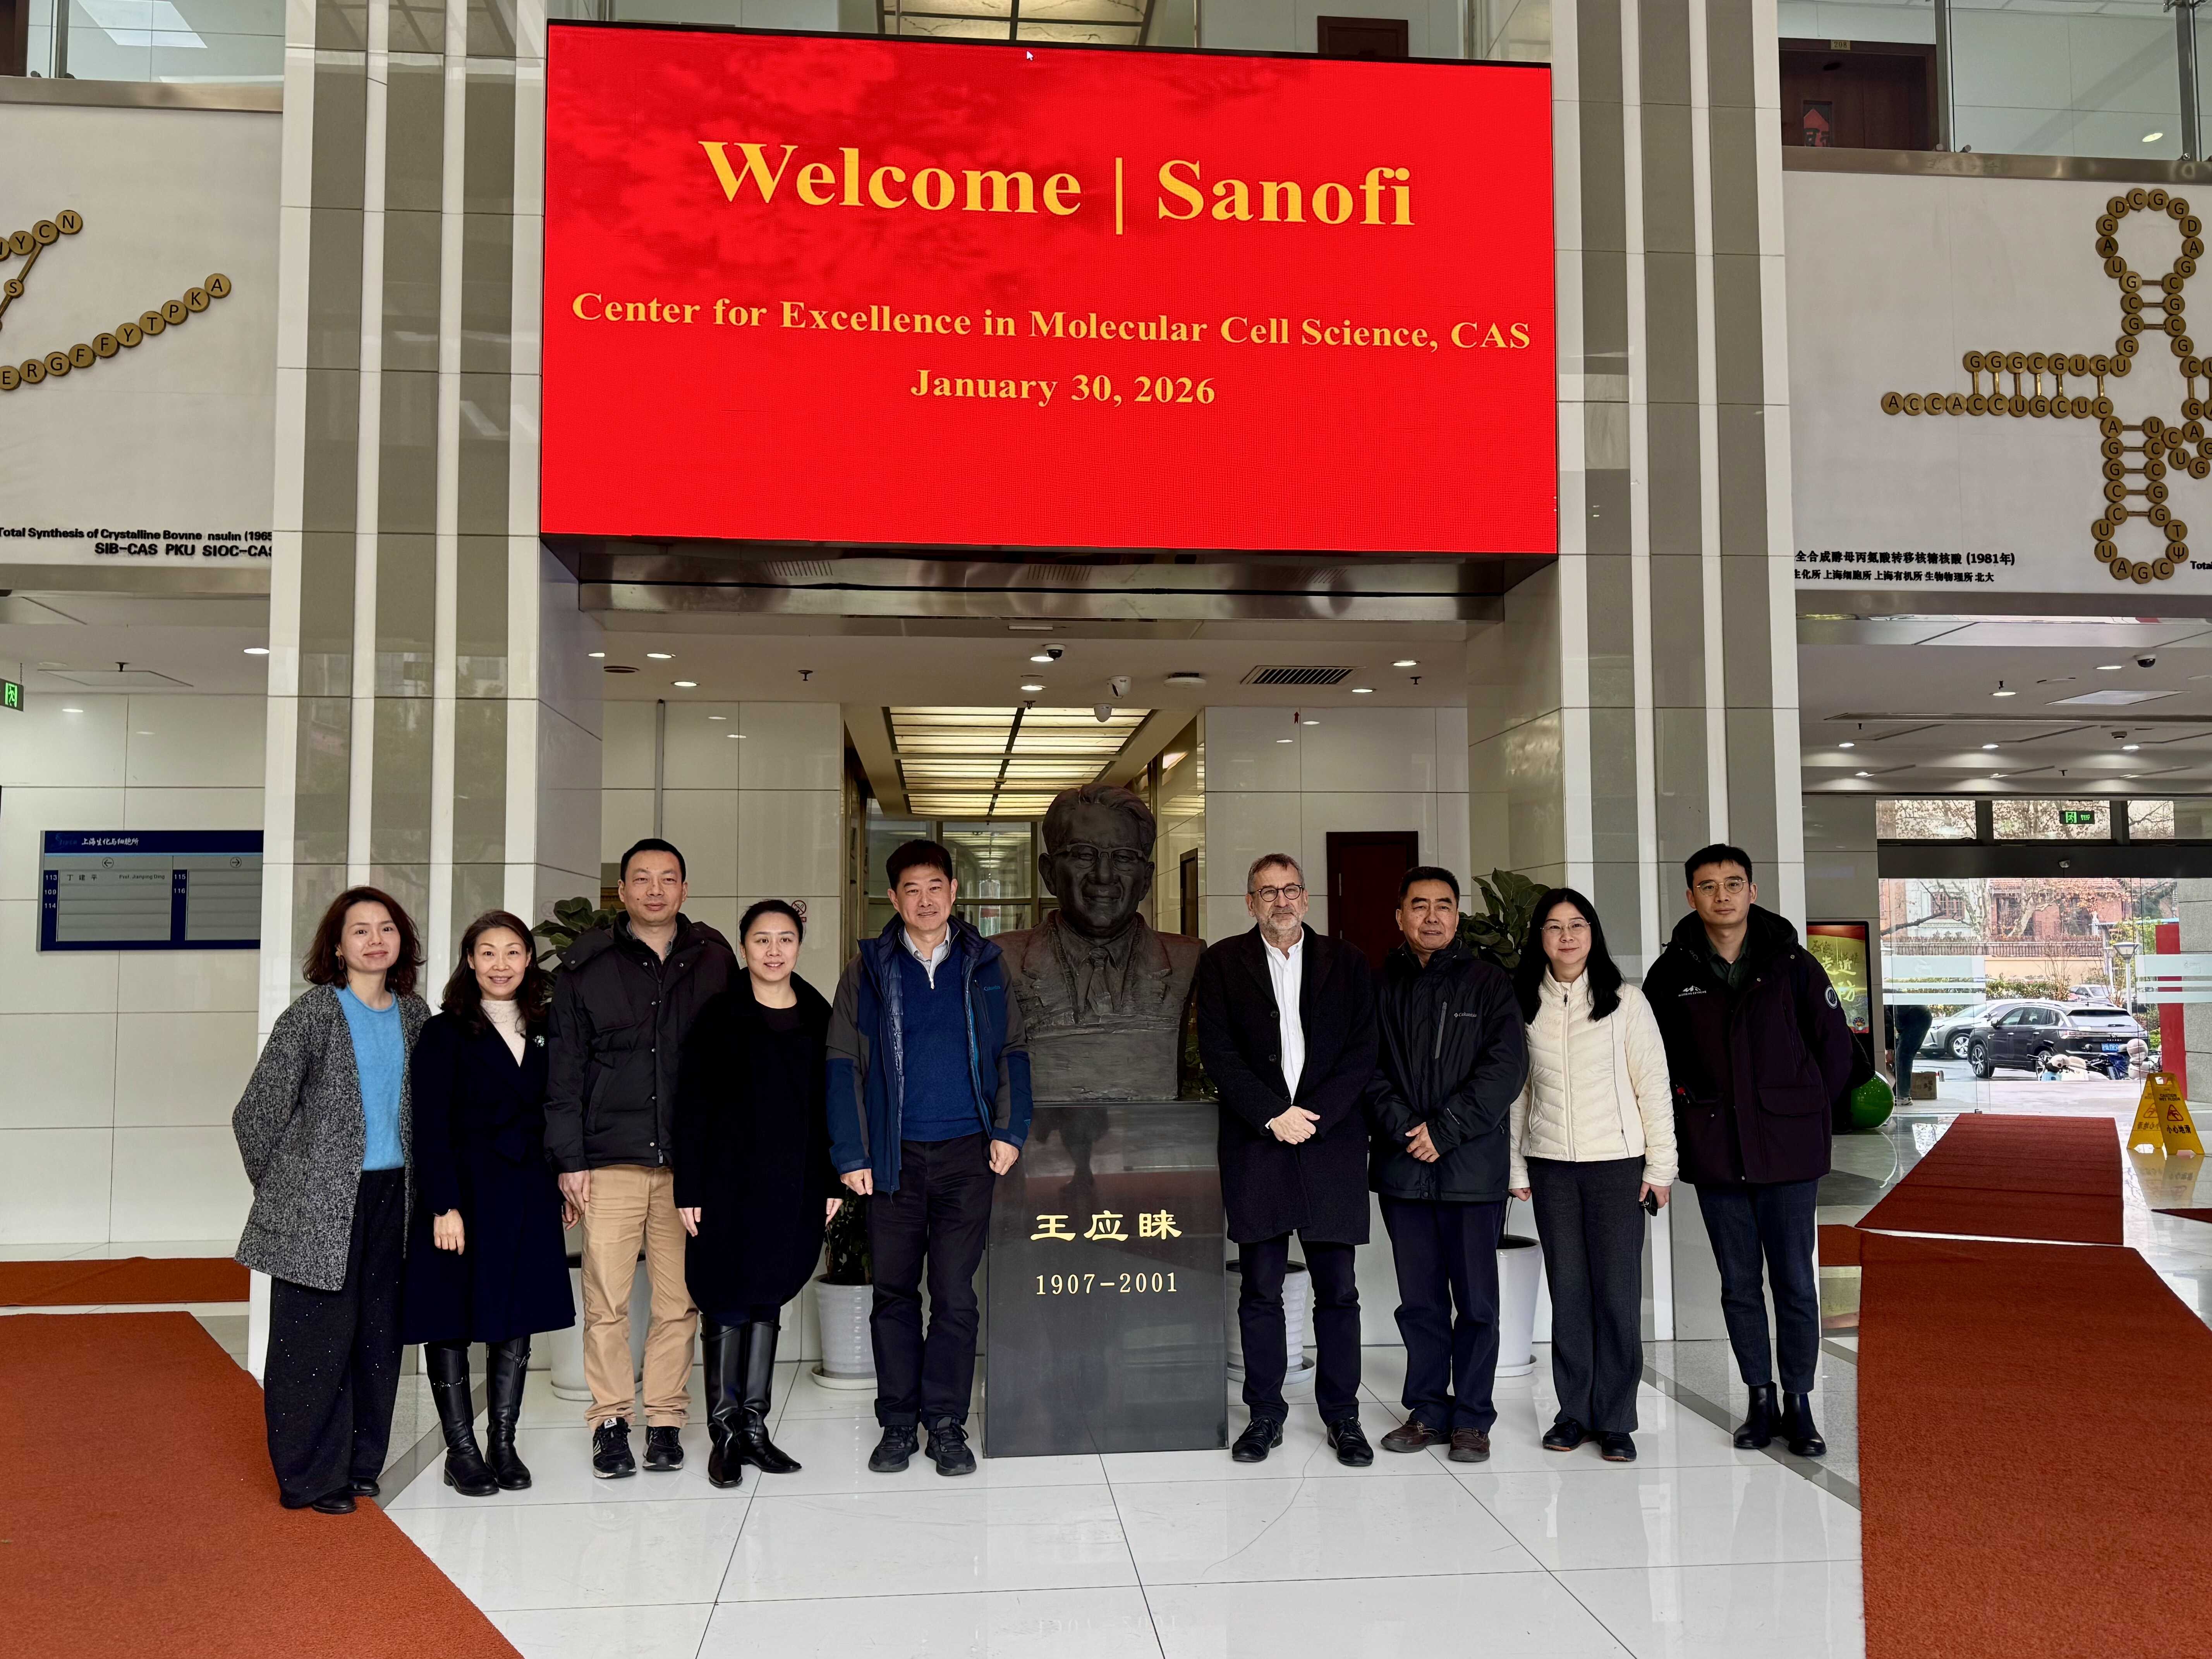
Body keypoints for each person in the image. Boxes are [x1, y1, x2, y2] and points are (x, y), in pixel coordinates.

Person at [828, 839, 1033, 1477]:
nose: (925, 900)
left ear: (953, 892)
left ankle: (945, 1423)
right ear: (893, 899)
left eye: (935, 887)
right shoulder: (867, 969)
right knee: (893, 1292)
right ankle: (897, 1423)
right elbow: (843, 1063)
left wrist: (1010, 1130)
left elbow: (1014, 1050)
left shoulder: (986, 964)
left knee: (953, 1294)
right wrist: (852, 1151)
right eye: (911, 890)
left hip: (968, 1156)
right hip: (893, 1160)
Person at [1644, 844, 1854, 1458]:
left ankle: (1800, 1401)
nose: (1723, 896)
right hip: (1716, 1150)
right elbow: (1656, 1064)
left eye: (1733, 884)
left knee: (1794, 1282)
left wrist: (1800, 1110)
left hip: (1788, 1153)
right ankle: (1760, 1398)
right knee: (1738, 1283)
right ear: (1691, 897)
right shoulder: (1671, 974)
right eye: (1708, 887)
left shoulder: (1794, 965)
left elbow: (1835, 1051)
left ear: (1753, 892)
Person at [232, 886, 429, 1513]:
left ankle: (361, 1463)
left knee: (378, 1337)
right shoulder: (312, 1015)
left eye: (386, 928)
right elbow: (255, 1116)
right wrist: (291, 1189)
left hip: (394, 1198)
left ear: (401, 940)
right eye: (360, 930)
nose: (375, 940)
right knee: (313, 1344)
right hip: (320, 1205)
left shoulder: (416, 1015)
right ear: (338, 947)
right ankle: (311, 1477)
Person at [544, 838, 737, 1478]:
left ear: (685, 889)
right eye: (642, 879)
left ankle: (665, 1421)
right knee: (606, 1300)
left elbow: (731, 1066)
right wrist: (569, 1161)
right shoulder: (587, 965)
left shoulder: (714, 959)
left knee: (678, 1301)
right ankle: (609, 1423)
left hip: (688, 1166)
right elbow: (564, 1071)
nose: (656, 889)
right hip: (610, 1160)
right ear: (622, 892)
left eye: (668, 878)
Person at [1197, 852, 1379, 1467]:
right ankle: (1265, 1415)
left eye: (1291, 890)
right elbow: (1218, 1052)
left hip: (1331, 1145)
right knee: (1260, 1289)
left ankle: (1343, 1416)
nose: (1282, 901)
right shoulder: (1224, 962)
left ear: (1306, 897)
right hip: (1259, 1144)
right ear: (1250, 903)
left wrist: (1313, 1115)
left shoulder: (1348, 963)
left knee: (1339, 1291)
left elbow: (1364, 1051)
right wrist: (1273, 1114)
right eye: (1268, 892)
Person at [401, 910, 577, 1497]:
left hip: (527, 1191)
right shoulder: (444, 1032)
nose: (501, 965)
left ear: (529, 960)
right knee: (451, 1316)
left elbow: (556, 1112)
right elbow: (429, 1125)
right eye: (488, 953)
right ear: (470, 961)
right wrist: (442, 1206)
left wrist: (559, 1181)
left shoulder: (546, 1028)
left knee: (517, 1316)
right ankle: (462, 1452)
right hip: (464, 1195)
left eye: (513, 952)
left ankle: (503, 1444)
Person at [1506, 889, 1677, 1463]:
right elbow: (1518, 1094)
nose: (1567, 936)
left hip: (1618, 1166)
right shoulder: (1524, 1003)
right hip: (1552, 1166)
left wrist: (1661, 1167)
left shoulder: (1626, 1001)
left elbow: (1653, 1086)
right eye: (1554, 927)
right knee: (1570, 1293)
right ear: (1540, 938)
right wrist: (1515, 1164)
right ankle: (1573, 1413)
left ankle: (1616, 1419)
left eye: (1577, 925)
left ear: (1593, 933)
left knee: (1617, 1295)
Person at [1365, 866, 1527, 1465]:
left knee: (1478, 1304)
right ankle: (1428, 1411)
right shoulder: (1380, 986)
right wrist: (1410, 1131)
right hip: (1404, 1168)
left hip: (1472, 1171)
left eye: (1443, 905)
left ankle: (1474, 1419)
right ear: (1400, 916)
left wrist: (1446, 1130)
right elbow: (1365, 1069)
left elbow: (1506, 1069)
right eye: (1419, 905)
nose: (1431, 916)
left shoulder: (1489, 983)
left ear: (1457, 916)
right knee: (1420, 1303)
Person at [675, 900, 839, 1489]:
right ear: (744, 947)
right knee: (724, 1294)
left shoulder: (819, 1014)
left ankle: (754, 1428)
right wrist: (689, 1186)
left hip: (794, 1179)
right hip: (724, 1181)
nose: (774, 951)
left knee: (770, 1294)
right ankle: (723, 1434)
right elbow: (692, 1104)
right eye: (762, 940)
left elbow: (832, 1106)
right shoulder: (719, 1014)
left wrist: (831, 1180)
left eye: (785, 939)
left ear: (799, 945)